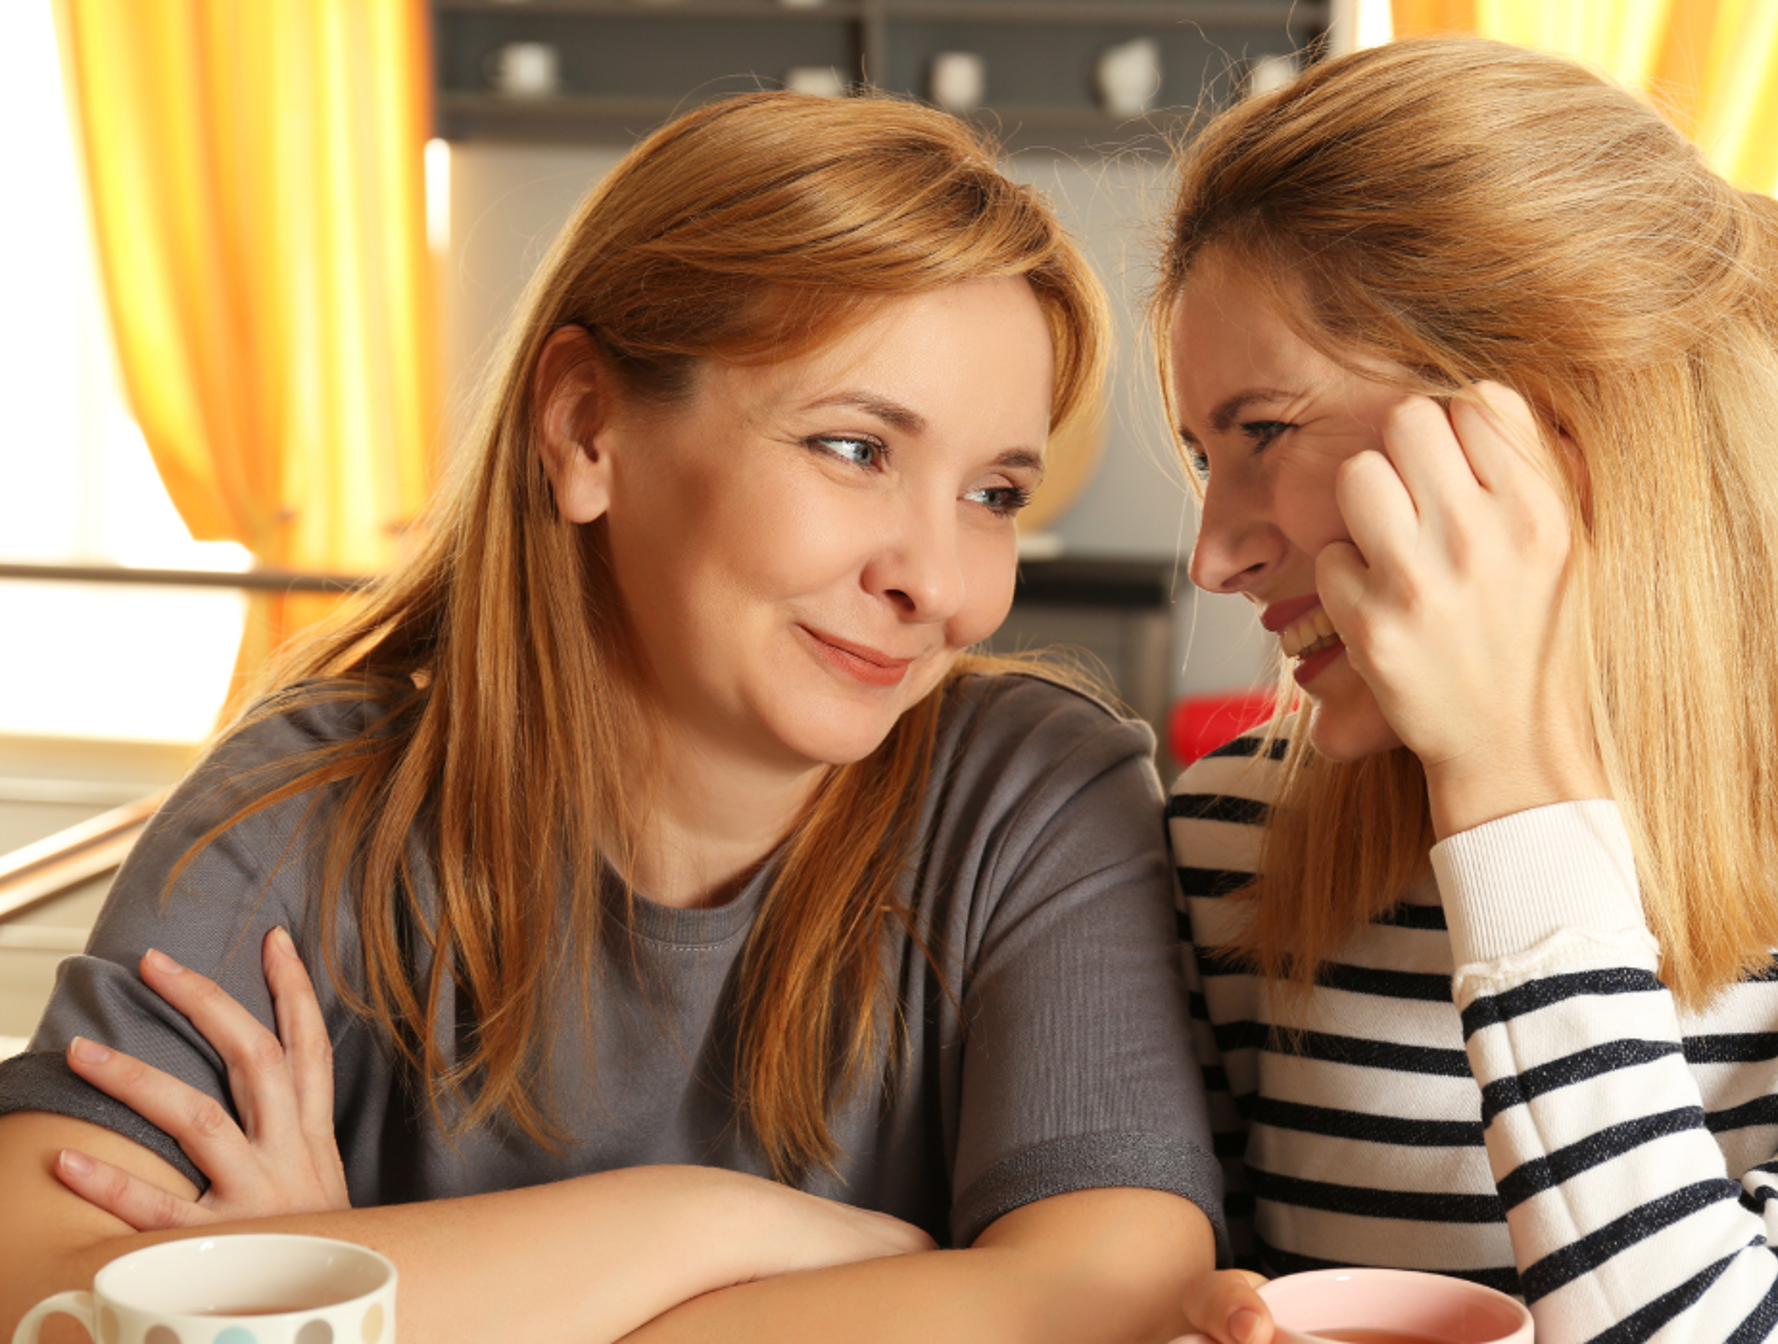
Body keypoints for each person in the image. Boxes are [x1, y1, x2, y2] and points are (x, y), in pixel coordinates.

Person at [0, 92, 1223, 1344]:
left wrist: (338, 1287)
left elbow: (1112, 1293)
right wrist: (718, 1225)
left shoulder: (1032, 796)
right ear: (588, 428)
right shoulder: (301, 812)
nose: (942, 582)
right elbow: (44, 1296)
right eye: (855, 449)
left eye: (994, 492)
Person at [1154, 36, 1778, 1344]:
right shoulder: (1224, 843)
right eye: (1203, 454)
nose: (1214, 554)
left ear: (1556, 421)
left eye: (1266, 433)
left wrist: (1510, 798)